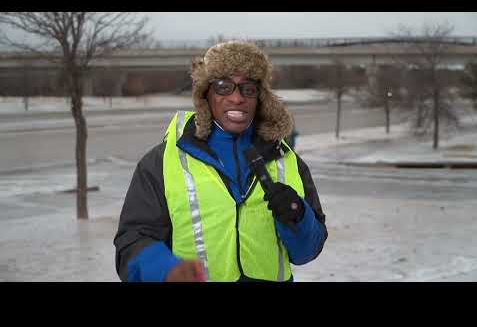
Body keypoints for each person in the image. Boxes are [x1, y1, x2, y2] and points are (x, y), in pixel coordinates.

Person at [114, 40, 328, 282]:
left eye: (247, 89)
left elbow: (308, 251)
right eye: (224, 87)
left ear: (260, 98)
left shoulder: (287, 160)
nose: (237, 98)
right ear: (206, 94)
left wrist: (298, 216)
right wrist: (166, 271)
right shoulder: (162, 162)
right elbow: (132, 242)